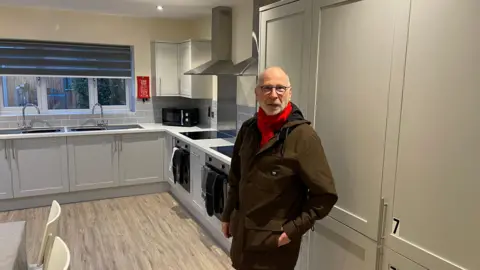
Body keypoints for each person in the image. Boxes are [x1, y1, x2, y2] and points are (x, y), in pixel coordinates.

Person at [220, 66, 338, 270]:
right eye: (266, 88)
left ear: (289, 93)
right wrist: (227, 214)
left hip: (274, 247)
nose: (273, 95)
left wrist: (292, 231)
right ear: (257, 93)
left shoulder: (303, 137)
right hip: (242, 238)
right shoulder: (248, 129)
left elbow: (325, 196)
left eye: (280, 88)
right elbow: (236, 177)